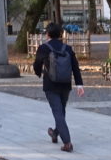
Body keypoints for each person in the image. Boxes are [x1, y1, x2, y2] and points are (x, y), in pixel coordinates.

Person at [33, 23, 85, 152]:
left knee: (58, 112)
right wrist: (79, 84)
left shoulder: (43, 48)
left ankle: (67, 143)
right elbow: (75, 67)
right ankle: (55, 133)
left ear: (47, 34)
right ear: (61, 34)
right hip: (65, 84)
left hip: (50, 85)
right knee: (61, 111)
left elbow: (36, 64)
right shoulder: (67, 48)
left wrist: (39, 73)